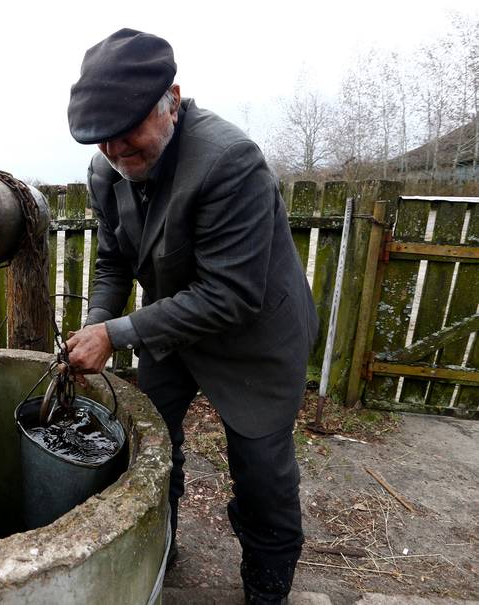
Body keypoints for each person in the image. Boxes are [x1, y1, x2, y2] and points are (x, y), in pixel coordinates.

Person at [64, 28, 318, 605]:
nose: (119, 157)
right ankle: (164, 542)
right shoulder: (107, 170)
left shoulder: (231, 162)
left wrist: (117, 334)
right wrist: (97, 319)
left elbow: (229, 295)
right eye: (105, 144)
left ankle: (267, 585)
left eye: (131, 142)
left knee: (261, 474)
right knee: (153, 443)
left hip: (254, 335)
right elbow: (113, 259)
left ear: (172, 102)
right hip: (173, 330)